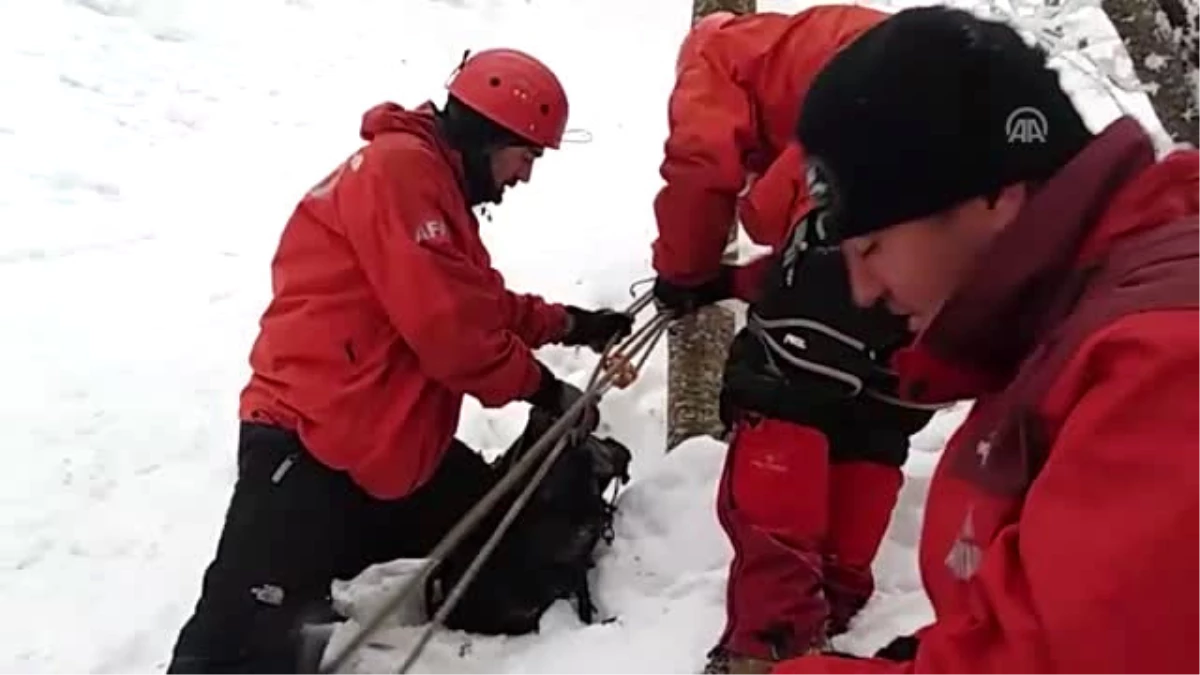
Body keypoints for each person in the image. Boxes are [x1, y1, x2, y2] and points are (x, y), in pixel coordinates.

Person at [165, 48, 634, 675]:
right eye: (526, 156)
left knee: (506, 544)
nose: (523, 177)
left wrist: (574, 324)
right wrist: (544, 389)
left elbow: (477, 301)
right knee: (236, 653)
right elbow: (455, 337)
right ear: (488, 135)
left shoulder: (427, 186)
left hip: (387, 448)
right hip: (309, 445)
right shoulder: (400, 175)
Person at [771, 6, 1200, 674]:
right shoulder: (1065, 328)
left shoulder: (1164, 356)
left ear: (996, 194)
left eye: (873, 245)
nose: (862, 290)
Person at [646, 7, 938, 674]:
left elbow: (700, 165)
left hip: (863, 206)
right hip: (955, 246)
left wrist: (685, 270)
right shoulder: (847, 50)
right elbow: (811, 273)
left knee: (781, 393)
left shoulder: (716, 53)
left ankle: (772, 636)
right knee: (874, 412)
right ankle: (831, 600)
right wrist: (730, 281)